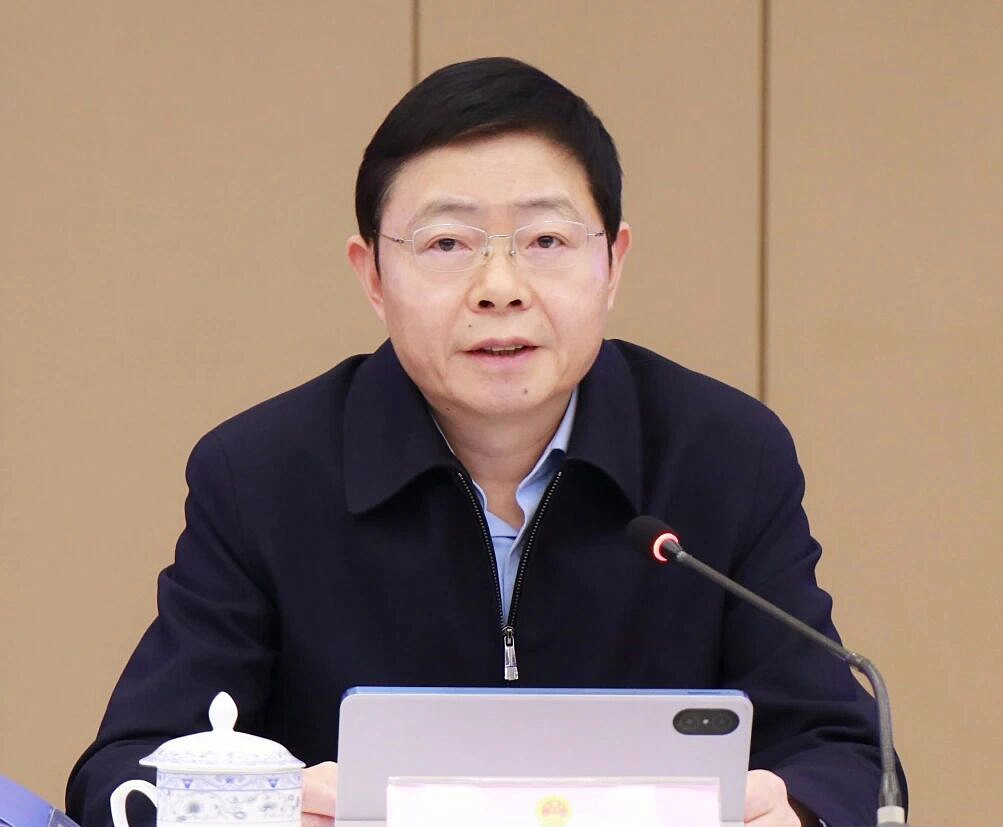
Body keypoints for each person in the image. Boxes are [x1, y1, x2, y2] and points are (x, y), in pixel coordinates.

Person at [66, 57, 904, 827]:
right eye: (446, 244)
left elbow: (844, 753)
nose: (499, 288)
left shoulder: (724, 454)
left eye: (545, 241)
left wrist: (797, 810)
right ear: (372, 275)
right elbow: (123, 771)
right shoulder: (263, 473)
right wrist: (271, 808)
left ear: (613, 263)